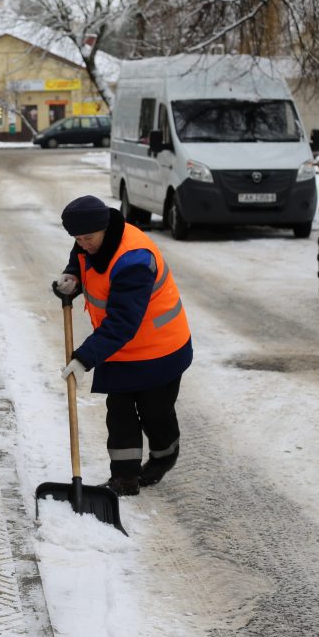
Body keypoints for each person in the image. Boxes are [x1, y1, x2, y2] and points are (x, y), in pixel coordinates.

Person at [53, 195, 192, 496]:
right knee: (120, 413)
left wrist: (83, 358)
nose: (83, 244)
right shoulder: (90, 237)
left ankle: (163, 456)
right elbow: (81, 259)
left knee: (155, 412)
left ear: (103, 228)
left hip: (160, 349)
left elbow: (122, 323)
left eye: (87, 238)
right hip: (118, 349)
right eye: (77, 239)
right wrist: (72, 277)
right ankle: (124, 478)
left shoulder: (134, 259)